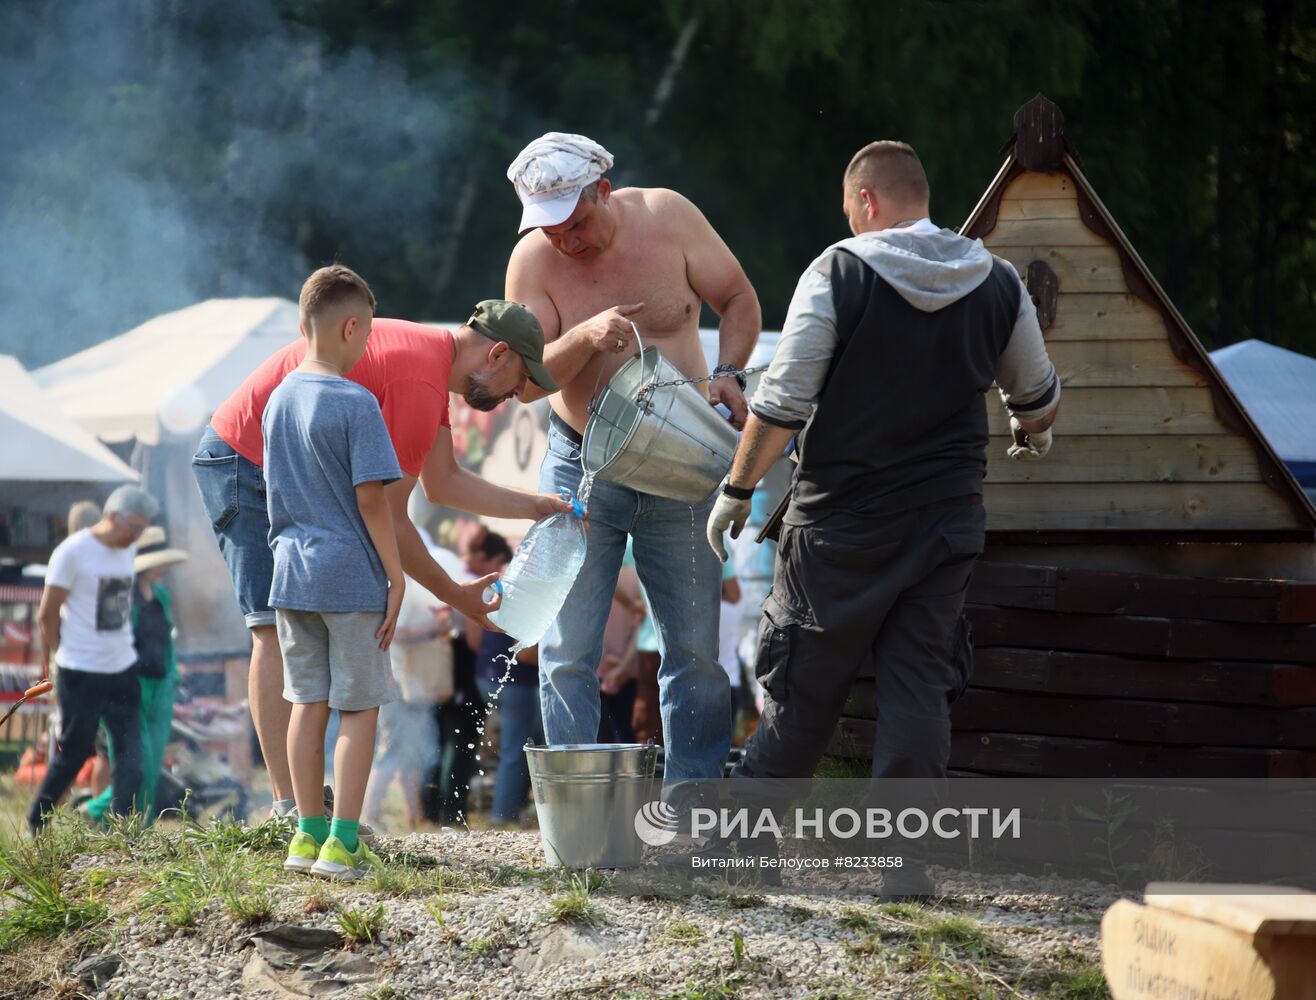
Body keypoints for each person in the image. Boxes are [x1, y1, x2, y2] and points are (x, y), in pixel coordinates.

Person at [704, 141, 1061, 895]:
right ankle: (907, 868)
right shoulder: (996, 280)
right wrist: (1033, 433)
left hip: (841, 526)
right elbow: (1037, 396)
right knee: (918, 688)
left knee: (804, 685)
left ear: (865, 200)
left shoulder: (839, 269)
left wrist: (737, 491)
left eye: (848, 209)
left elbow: (784, 399)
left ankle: (749, 850)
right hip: (944, 524)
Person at [195, 292, 568, 828]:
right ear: (499, 353)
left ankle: (301, 811)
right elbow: (391, 518)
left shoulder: (431, 366)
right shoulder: (420, 379)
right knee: (269, 630)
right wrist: (453, 594)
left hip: (261, 451)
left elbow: (444, 483)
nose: (517, 396)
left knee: (285, 636)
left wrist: (536, 507)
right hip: (242, 456)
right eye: (521, 379)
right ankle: (286, 810)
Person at [504, 132, 761, 790]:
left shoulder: (669, 217)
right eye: (551, 229)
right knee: (566, 649)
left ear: (604, 191)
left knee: (694, 650)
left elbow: (738, 298)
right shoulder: (532, 262)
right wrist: (585, 336)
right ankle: (579, 810)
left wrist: (729, 370)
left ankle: (691, 804)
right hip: (579, 462)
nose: (567, 241)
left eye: (577, 222)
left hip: (681, 457)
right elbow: (528, 383)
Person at [265, 265, 406, 880]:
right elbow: (372, 498)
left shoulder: (277, 399)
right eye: (368, 331)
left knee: (306, 702)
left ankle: (304, 835)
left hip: (290, 576)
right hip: (350, 575)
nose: (368, 342)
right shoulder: (356, 401)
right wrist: (396, 576)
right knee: (359, 707)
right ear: (351, 327)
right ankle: (344, 845)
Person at [27, 486, 157, 833]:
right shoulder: (73, 551)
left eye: (142, 530)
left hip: (122, 668)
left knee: (132, 758)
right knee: (73, 753)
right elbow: (47, 614)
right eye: (133, 528)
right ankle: (35, 822)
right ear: (113, 516)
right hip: (80, 671)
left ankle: (118, 831)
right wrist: (57, 660)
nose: (136, 536)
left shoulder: (126, 550)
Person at [83, 527, 188, 826]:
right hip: (126, 687)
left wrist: (172, 675)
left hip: (159, 686)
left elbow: (167, 640)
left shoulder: (162, 595)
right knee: (133, 763)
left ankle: (142, 826)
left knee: (152, 763)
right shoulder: (116, 591)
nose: (164, 566)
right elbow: (104, 642)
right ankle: (98, 814)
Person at [467, 530, 542, 825]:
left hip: (486, 675)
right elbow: (526, 654)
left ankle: (512, 807)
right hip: (516, 680)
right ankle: (504, 813)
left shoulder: (489, 586)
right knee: (516, 749)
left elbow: (474, 639)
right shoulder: (523, 589)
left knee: (515, 745)